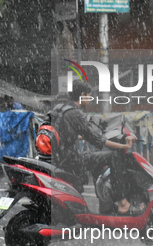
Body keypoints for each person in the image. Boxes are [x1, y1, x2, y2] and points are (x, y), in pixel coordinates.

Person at [52, 81, 136, 214]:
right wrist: (123, 145)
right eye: (89, 96)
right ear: (82, 95)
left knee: (98, 160)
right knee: (114, 155)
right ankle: (122, 202)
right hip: (70, 159)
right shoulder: (75, 112)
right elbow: (96, 139)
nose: (90, 100)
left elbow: (71, 134)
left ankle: (105, 205)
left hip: (61, 157)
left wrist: (84, 136)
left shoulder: (63, 109)